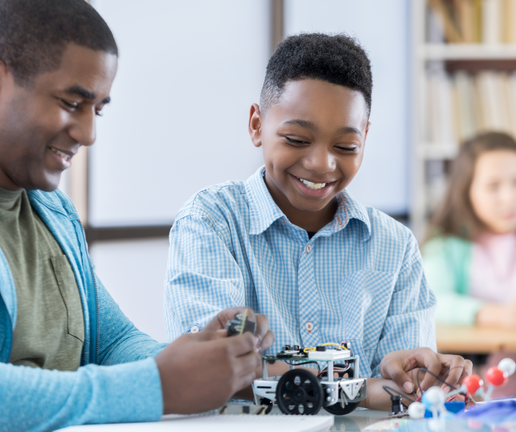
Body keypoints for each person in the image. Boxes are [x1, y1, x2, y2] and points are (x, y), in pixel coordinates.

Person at [0, 1, 273, 430]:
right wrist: (158, 385)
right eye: (71, 102)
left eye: (96, 110)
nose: (88, 134)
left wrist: (195, 359)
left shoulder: (51, 208)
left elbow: (111, 341)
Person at [163, 33, 472, 410]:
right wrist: (357, 389)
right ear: (257, 125)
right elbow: (212, 370)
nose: (322, 164)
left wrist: (411, 378)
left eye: (345, 147)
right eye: (296, 138)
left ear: (365, 139)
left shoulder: (395, 246)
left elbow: (402, 395)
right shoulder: (211, 222)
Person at [421, 131, 516, 397]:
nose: (509, 198)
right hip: (465, 399)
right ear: (467, 190)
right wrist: (496, 315)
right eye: (493, 185)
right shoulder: (446, 246)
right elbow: (429, 302)